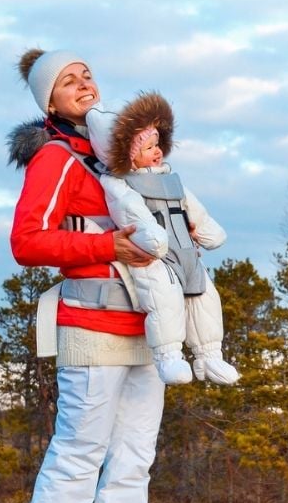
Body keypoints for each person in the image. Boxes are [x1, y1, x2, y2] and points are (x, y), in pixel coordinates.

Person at [7, 47, 165, 503]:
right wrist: (105, 247)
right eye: (68, 80)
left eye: (88, 74)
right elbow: (27, 242)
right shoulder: (54, 158)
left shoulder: (116, 159)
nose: (83, 84)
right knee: (77, 456)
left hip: (146, 326)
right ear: (48, 100)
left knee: (132, 464)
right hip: (91, 325)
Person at [85, 91, 240, 387]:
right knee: (164, 300)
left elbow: (191, 206)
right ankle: (169, 356)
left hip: (185, 249)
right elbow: (130, 211)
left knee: (205, 296)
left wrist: (204, 229)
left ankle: (209, 355)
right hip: (154, 257)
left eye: (157, 144)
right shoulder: (121, 184)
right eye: (148, 148)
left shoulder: (169, 177)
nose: (157, 151)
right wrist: (150, 235)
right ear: (128, 156)